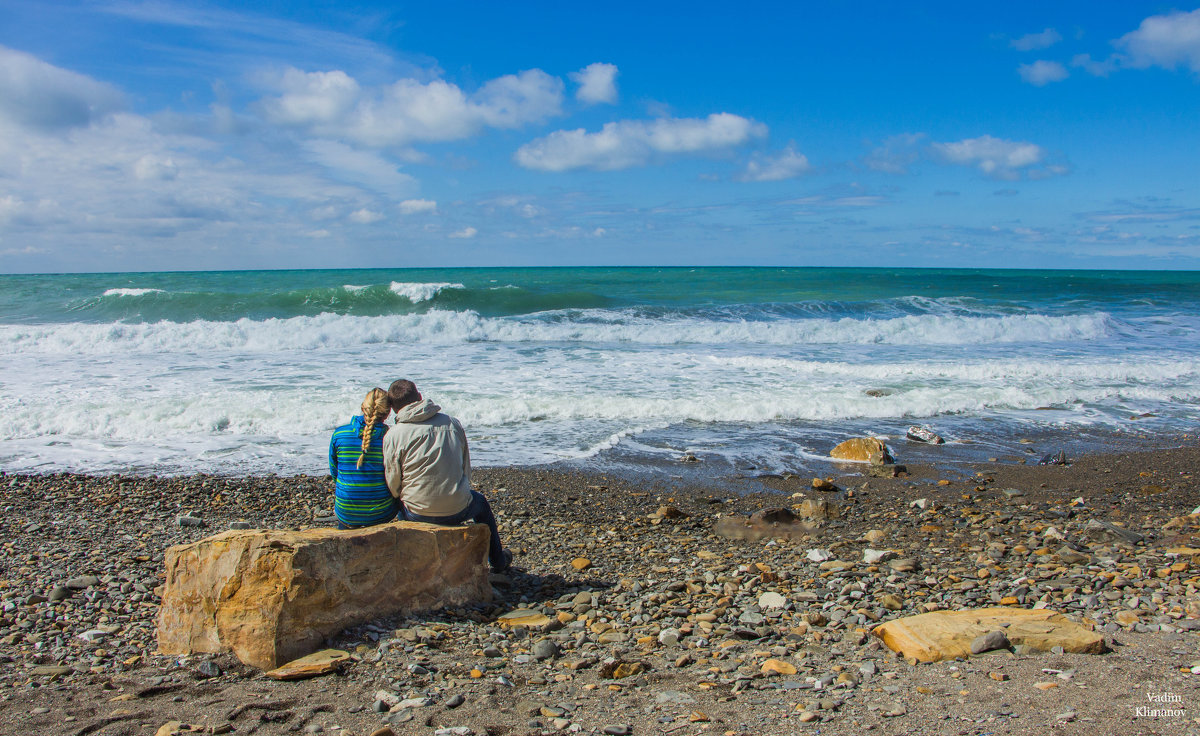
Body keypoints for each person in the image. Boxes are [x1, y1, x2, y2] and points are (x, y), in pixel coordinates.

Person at [383, 379, 512, 572]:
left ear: (393, 409)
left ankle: (411, 559)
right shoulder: (452, 423)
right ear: (419, 397)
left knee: (395, 501)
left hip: (416, 514)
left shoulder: (394, 434)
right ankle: (498, 561)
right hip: (457, 509)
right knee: (481, 503)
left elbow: (393, 484)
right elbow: (465, 470)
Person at [329, 388, 398, 529]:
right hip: (381, 512)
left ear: (362, 407)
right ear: (388, 413)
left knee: (347, 512)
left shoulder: (339, 434)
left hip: (345, 510)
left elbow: (335, 472)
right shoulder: (390, 437)